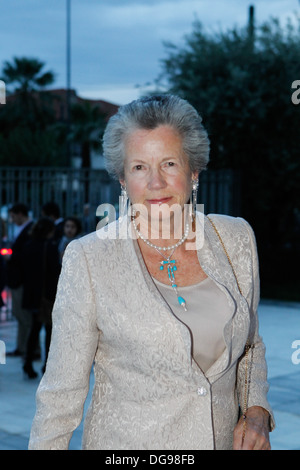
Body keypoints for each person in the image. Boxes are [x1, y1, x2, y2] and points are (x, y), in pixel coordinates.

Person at [29, 95, 274, 450]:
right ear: (123, 180)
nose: (155, 183)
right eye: (140, 167)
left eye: (169, 164)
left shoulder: (235, 239)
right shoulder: (89, 258)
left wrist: (256, 411)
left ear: (193, 172)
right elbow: (60, 395)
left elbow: (250, 343)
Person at [21, 218, 61, 378]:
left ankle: (28, 362)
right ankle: (47, 365)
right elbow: (55, 271)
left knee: (34, 329)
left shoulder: (28, 245)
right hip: (47, 295)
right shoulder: (49, 247)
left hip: (32, 294)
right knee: (49, 330)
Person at [6, 203, 34, 357]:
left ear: (20, 214)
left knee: (24, 317)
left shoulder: (29, 230)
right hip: (19, 279)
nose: (12, 219)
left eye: (13, 216)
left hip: (22, 280)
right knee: (20, 315)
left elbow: (27, 256)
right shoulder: (24, 229)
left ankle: (27, 348)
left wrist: (12, 257)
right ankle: (22, 347)